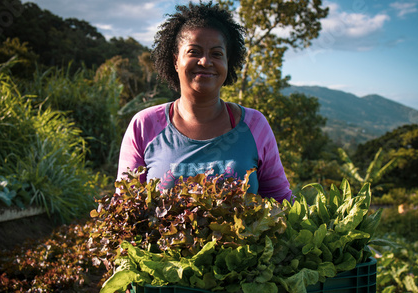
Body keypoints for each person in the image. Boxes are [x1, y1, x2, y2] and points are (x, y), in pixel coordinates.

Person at [116, 1, 292, 203]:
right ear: (175, 60)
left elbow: (280, 199)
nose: (206, 62)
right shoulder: (145, 125)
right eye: (194, 52)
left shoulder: (253, 125)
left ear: (228, 62)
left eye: (217, 54)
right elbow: (125, 205)